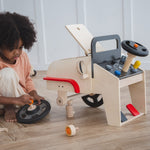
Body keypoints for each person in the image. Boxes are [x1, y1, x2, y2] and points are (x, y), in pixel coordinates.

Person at [0, 12, 44, 122]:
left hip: (20, 96)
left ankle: (15, 106)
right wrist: (14, 101)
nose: (17, 53)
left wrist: (34, 94)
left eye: (20, 47)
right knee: (7, 73)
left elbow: (27, 79)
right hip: (5, 99)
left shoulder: (23, 57)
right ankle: (9, 108)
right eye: (12, 48)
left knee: (33, 101)